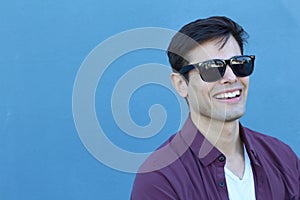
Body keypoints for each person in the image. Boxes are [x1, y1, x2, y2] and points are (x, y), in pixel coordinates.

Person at [130, 16, 300, 200]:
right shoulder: (160, 179)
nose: (231, 77)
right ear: (181, 84)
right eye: (211, 68)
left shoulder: (282, 159)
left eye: (238, 64)